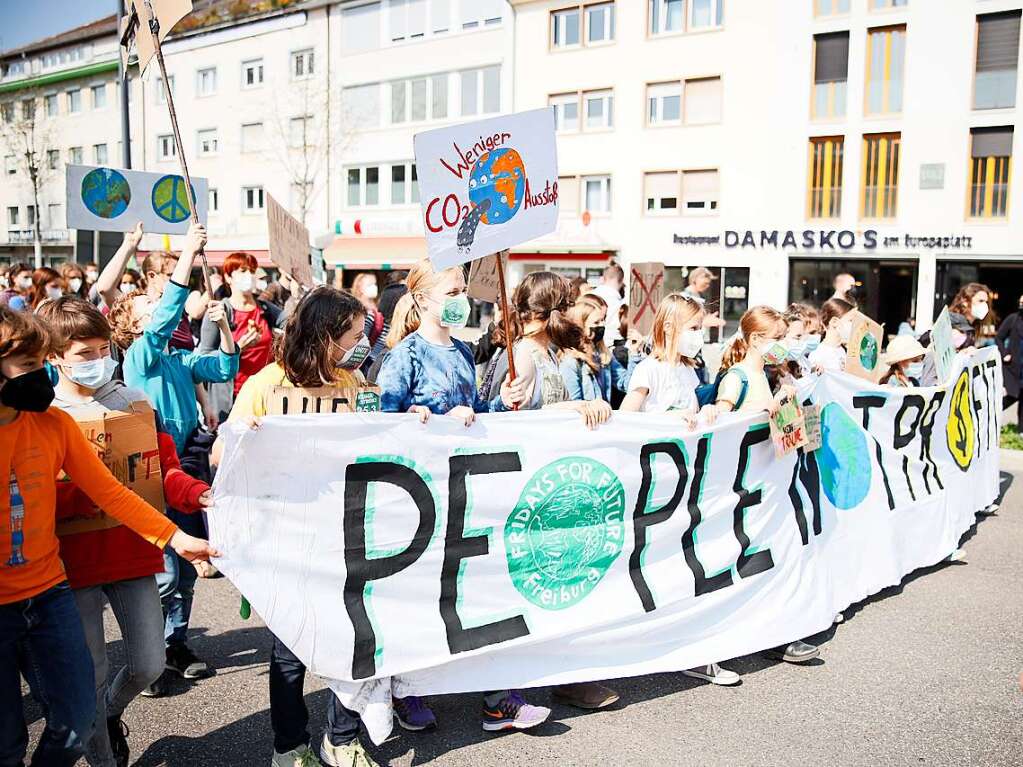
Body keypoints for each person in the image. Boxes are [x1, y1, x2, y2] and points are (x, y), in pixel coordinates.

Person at [0, 304, 216, 767]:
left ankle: (107, 719)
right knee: (24, 729)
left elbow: (130, 486)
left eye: (103, 350)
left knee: (123, 682)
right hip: (65, 572)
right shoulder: (54, 413)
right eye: (30, 365)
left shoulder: (111, 409)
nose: (98, 360)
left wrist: (182, 526)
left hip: (91, 571)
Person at [376, 259, 552, 731]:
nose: (461, 299)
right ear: (422, 299)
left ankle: (498, 698)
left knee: (477, 596)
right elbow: (378, 425)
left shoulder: (459, 353)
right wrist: (414, 418)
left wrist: (501, 404)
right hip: (416, 502)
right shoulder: (405, 356)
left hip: (463, 496)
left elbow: (472, 415)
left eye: (461, 290)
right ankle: (404, 690)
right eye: (451, 290)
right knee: (415, 599)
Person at [217, 287, 379, 767]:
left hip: (342, 534)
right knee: (290, 651)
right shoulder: (265, 385)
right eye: (353, 333)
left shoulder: (352, 383)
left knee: (353, 639)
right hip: (286, 540)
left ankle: (342, 738)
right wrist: (244, 441)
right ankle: (289, 747)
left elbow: (379, 438)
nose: (361, 341)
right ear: (326, 336)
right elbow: (222, 458)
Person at [108, 223, 239, 691]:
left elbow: (224, 366)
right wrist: (186, 252)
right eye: (149, 305)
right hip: (150, 466)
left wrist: (222, 326)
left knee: (183, 570)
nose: (160, 308)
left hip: (183, 460)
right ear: (134, 325)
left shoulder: (176, 359)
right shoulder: (141, 355)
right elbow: (165, 316)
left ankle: (176, 641)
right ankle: (154, 653)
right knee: (161, 569)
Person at [492, 271, 620, 715]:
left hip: (554, 484)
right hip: (529, 492)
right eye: (564, 307)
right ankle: (513, 687)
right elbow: (513, 421)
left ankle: (567, 677)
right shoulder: (523, 356)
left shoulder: (551, 352)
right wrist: (575, 407)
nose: (572, 314)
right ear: (548, 312)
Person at [702, 306, 822, 668]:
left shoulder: (770, 377)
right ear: (756, 340)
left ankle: (775, 633)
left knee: (773, 560)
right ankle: (716, 644)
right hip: (739, 491)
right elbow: (721, 420)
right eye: (779, 339)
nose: (784, 346)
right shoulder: (736, 378)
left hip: (766, 489)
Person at [199, 251, 284, 397]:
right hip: (231, 397)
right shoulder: (219, 311)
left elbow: (290, 321)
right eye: (243, 271)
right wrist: (239, 347)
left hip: (264, 394)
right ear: (228, 277)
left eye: (252, 271)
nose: (249, 276)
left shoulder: (266, 309)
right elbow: (204, 358)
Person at [619, 292, 704, 417]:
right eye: (693, 328)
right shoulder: (647, 369)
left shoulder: (687, 368)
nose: (698, 334)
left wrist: (706, 411)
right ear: (668, 327)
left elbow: (694, 411)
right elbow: (625, 417)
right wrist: (672, 417)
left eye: (700, 328)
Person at [559, 293, 636, 403]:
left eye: (604, 319)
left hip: (603, 417)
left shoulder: (603, 354)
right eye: (597, 322)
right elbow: (574, 405)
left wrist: (635, 353)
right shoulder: (571, 362)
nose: (602, 325)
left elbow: (627, 384)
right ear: (581, 325)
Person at [997, 295, 1023, 432]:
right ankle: (991, 418)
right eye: (1020, 302)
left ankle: (1021, 431)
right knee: (1011, 395)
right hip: (1013, 368)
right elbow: (999, 337)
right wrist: (1005, 353)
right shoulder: (1013, 319)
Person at [808, 297, 855, 373]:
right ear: (834, 322)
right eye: (851, 320)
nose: (854, 325)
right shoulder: (818, 354)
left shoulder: (844, 350)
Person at [590, 261, 625, 343]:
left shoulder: (589, 296)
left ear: (604, 278)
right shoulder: (618, 304)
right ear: (622, 280)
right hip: (611, 347)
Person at [684, 266, 726, 333]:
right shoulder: (685, 297)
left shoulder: (697, 296)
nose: (707, 286)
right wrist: (706, 321)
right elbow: (686, 322)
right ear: (695, 280)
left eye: (708, 284)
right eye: (705, 283)